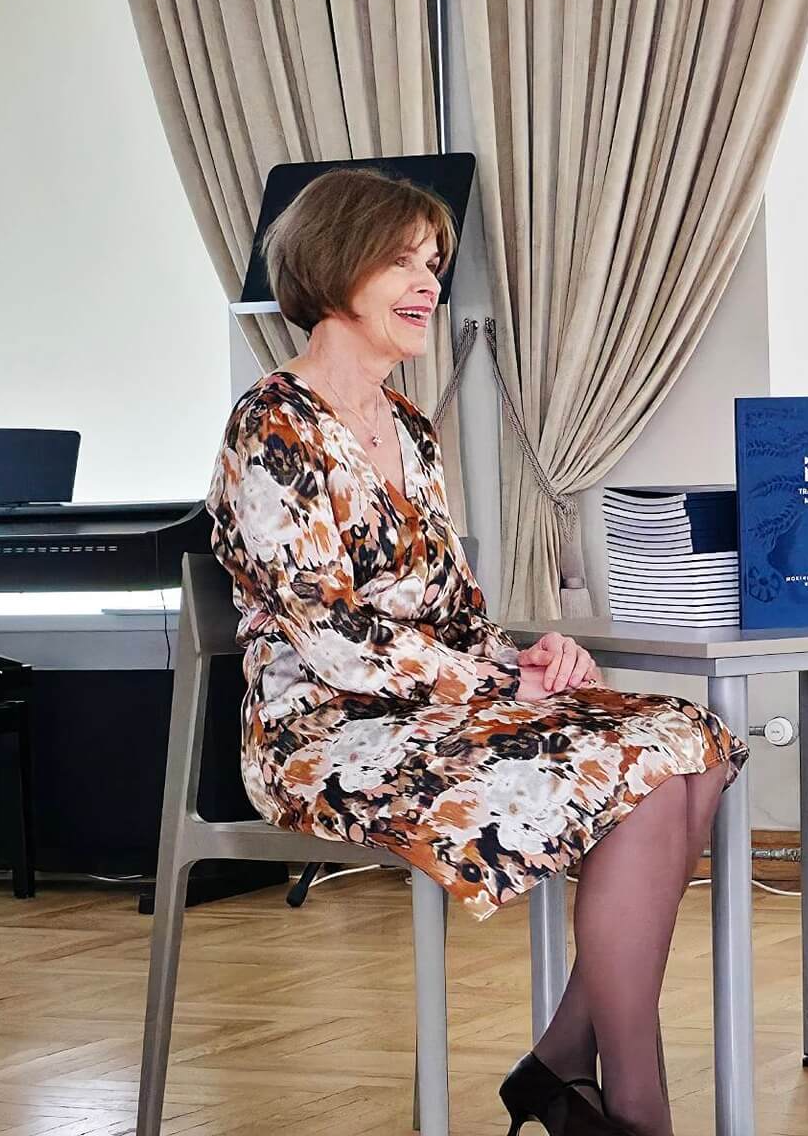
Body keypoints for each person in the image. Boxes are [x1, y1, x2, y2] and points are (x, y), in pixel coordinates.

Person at [206, 166, 743, 1136]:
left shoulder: (411, 429)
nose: (428, 284)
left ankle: (565, 1062)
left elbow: (455, 615)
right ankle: (628, 1103)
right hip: (319, 732)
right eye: (402, 262)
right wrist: (489, 679)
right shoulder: (272, 424)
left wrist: (530, 660)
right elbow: (333, 639)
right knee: (648, 769)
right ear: (334, 266)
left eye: (433, 264)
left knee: (689, 742)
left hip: (432, 707)